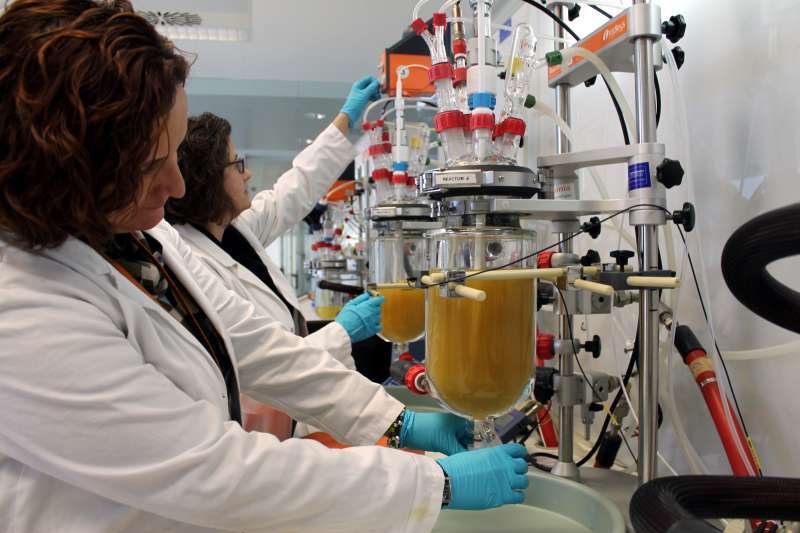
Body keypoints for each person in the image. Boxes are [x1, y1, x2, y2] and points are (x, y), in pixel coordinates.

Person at [0, 2, 529, 532]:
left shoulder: (134, 236)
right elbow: (213, 472)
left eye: (176, 154)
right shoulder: (21, 312)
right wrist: (435, 484)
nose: (178, 186)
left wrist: (394, 420)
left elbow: (251, 344)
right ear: (66, 173)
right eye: (149, 165)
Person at [165, 106, 382, 438]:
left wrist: (344, 120)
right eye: (237, 164)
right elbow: (255, 370)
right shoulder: (193, 266)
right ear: (208, 179)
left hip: (298, 407)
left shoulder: (234, 231)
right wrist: (340, 331)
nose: (247, 174)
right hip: (268, 428)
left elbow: (293, 190)